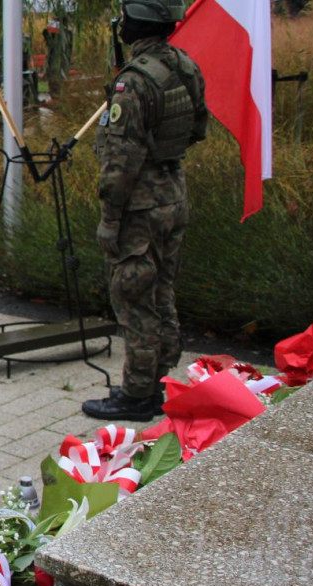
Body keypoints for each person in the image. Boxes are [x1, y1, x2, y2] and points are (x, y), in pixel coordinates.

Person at [81, 0, 207, 422]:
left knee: (135, 298)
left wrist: (110, 219)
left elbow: (121, 162)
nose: (120, 24)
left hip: (139, 206)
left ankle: (137, 395)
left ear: (139, 23)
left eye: (126, 17)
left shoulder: (133, 82)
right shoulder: (184, 66)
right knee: (163, 292)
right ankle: (158, 378)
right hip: (173, 193)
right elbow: (199, 128)